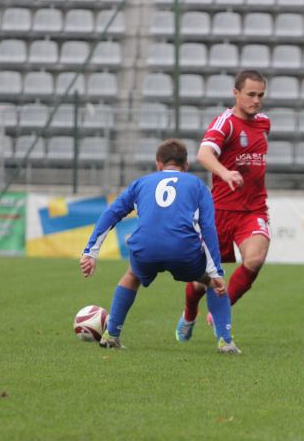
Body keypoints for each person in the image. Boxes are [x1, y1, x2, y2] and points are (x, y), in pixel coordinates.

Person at [80, 138, 240, 354]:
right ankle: (225, 341)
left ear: (158, 164)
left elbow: (112, 213)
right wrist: (216, 271)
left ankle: (111, 335)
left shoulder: (141, 183)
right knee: (212, 282)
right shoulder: (197, 185)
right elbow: (208, 227)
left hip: (146, 250)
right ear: (185, 166)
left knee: (132, 276)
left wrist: (91, 252)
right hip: (183, 251)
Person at [176, 70, 271, 342]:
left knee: (254, 259)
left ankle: (223, 306)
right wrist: (225, 173)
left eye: (260, 95)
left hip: (253, 210)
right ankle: (189, 314)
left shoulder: (264, 123)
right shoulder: (225, 123)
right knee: (198, 281)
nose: (256, 100)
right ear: (236, 93)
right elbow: (204, 154)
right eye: (251, 94)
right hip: (219, 212)